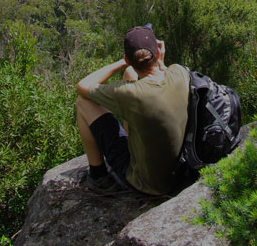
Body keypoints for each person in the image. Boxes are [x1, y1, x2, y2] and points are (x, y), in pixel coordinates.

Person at [75, 25, 190, 195]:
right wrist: (160, 62)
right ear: (157, 53)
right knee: (130, 74)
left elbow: (82, 86)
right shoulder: (180, 73)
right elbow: (160, 73)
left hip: (146, 184)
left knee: (82, 103)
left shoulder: (130, 94)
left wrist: (123, 62)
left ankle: (99, 178)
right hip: (179, 173)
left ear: (128, 59)